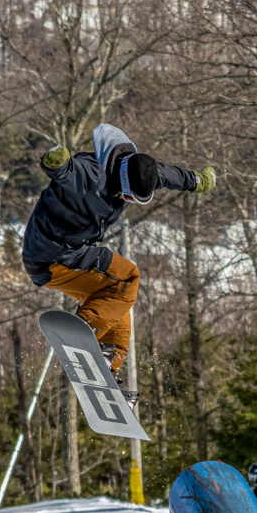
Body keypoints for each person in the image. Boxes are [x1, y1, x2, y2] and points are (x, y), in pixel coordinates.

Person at [20, 123, 214, 377]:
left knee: (117, 302)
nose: (127, 202)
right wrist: (56, 161)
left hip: (70, 253)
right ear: (123, 180)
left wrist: (196, 181)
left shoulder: (140, 171)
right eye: (130, 197)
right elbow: (63, 170)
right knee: (128, 277)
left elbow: (166, 175)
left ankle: (107, 370)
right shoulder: (90, 174)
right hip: (53, 254)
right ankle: (82, 332)